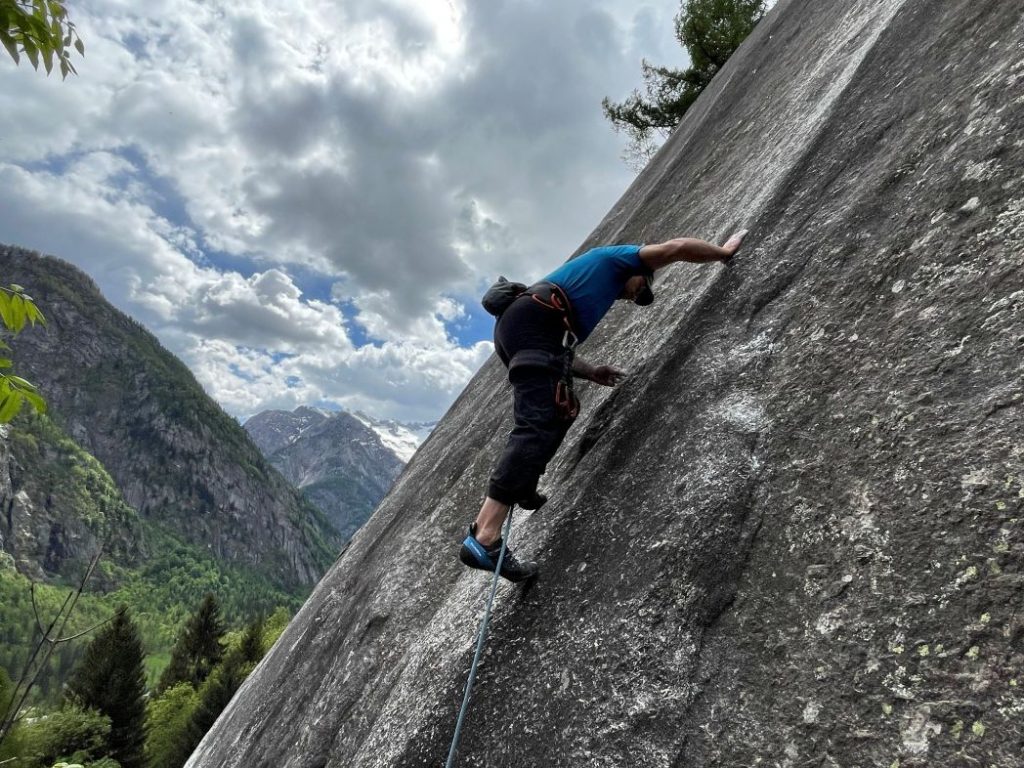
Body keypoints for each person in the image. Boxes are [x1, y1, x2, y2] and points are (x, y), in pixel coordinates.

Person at [459, 230, 749, 581]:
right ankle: (484, 537)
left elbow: (559, 350)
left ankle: (523, 485)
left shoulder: (583, 290)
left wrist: (592, 371)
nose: (633, 295)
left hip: (527, 331)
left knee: (560, 409)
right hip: (532, 322)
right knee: (537, 421)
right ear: (637, 270)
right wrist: (723, 253)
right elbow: (678, 248)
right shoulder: (615, 259)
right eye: (641, 286)